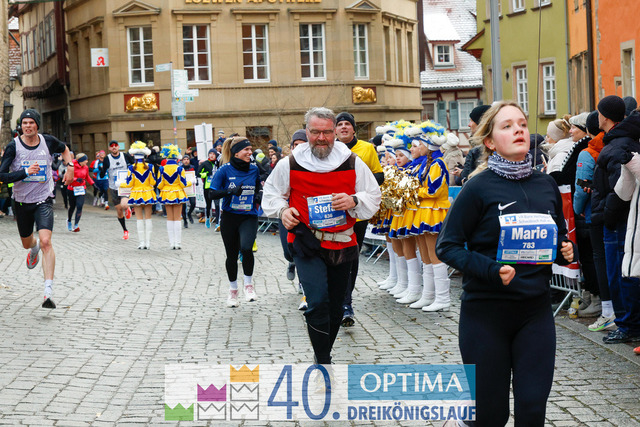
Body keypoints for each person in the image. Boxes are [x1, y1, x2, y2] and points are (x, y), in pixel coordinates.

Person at [436, 101, 575, 426]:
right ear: (489, 141)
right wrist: (491, 269)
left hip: (535, 313)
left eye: (522, 124)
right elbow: (447, 246)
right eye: (508, 126)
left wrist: (564, 250)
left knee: (532, 410)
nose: (518, 130)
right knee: (491, 415)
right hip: (486, 314)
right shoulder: (477, 187)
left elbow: (555, 237)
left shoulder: (545, 184)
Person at [263, 107, 381, 365]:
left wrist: (353, 200)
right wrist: (283, 210)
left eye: (327, 132)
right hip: (306, 241)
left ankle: (321, 354)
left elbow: (373, 196)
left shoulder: (351, 161)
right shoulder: (290, 163)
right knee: (317, 302)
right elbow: (271, 194)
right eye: (315, 132)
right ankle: (324, 360)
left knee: (336, 307)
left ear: (335, 132)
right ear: (307, 132)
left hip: (343, 242)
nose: (321, 138)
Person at [0, 109, 75, 309]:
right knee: (28, 243)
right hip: (21, 202)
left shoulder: (47, 141)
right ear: (21, 126)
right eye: (24, 123)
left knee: (46, 241)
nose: (28, 126)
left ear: (37, 125)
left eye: (31, 122)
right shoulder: (13, 147)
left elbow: (65, 149)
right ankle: (33, 249)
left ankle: (48, 292)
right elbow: (2, 176)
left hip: (44, 199)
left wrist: (70, 166)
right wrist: (25, 172)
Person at [591, 95, 640, 344]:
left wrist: (607, 215)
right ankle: (627, 322)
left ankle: (627, 324)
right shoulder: (618, 141)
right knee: (623, 271)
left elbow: (620, 189)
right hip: (618, 218)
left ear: (606, 117)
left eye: (599, 112)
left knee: (621, 273)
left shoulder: (617, 146)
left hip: (618, 222)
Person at [334, 111, 384, 327]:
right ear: (335, 130)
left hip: (357, 212)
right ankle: (331, 298)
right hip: (334, 211)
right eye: (340, 124)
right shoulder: (330, 149)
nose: (344, 127)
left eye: (348, 124)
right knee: (333, 255)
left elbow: (379, 175)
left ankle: (346, 303)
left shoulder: (366, 148)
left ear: (354, 129)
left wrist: (358, 184)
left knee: (351, 257)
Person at [574, 111, 615, 330]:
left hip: (594, 212)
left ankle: (608, 310)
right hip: (615, 210)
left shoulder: (588, 152)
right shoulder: (613, 145)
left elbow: (582, 187)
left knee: (599, 259)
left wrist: (577, 209)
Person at [209, 136, 262, 307]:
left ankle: (248, 285)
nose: (250, 152)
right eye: (246, 149)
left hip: (249, 216)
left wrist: (258, 195)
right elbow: (211, 193)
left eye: (250, 149)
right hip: (230, 217)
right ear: (236, 152)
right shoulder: (224, 170)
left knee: (246, 248)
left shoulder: (254, 169)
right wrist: (230, 191)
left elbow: (258, 187)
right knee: (231, 255)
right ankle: (233, 291)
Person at [120, 142, 157, 249]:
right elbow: (153, 182)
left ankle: (141, 243)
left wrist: (120, 184)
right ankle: (148, 243)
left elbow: (129, 184)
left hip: (136, 194)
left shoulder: (131, 167)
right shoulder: (150, 166)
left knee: (139, 219)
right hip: (148, 193)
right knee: (148, 218)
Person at [100, 140, 134, 239]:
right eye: (112, 146)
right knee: (119, 210)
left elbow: (134, 165)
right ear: (109, 148)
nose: (114, 147)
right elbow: (103, 173)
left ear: (118, 147)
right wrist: (102, 170)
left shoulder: (125, 156)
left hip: (124, 185)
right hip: (114, 187)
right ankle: (125, 230)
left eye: (115, 145)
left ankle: (127, 208)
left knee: (124, 204)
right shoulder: (107, 159)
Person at [157, 144, 189, 249]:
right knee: (177, 218)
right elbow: (183, 184)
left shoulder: (162, 169)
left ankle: (171, 243)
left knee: (170, 218)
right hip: (177, 193)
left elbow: (159, 185)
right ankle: (178, 243)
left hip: (166, 193)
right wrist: (191, 182)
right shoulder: (180, 169)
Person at [460, 104, 491, 183]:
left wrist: (461, 174)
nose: (469, 125)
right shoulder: (497, 145)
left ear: (480, 123)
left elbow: (466, 176)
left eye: (471, 120)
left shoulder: (475, 150)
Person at [67, 152, 94, 232]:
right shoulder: (72, 166)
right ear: (81, 161)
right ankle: (69, 221)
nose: (87, 162)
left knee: (79, 206)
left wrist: (93, 184)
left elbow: (87, 176)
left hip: (81, 189)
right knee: (72, 207)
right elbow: (68, 176)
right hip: (72, 189)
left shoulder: (85, 167)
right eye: (85, 160)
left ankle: (76, 225)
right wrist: (75, 179)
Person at [198, 148, 220, 229]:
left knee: (217, 205)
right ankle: (207, 218)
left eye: (213, 154)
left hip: (216, 187)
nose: (211, 155)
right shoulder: (205, 163)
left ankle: (218, 223)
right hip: (207, 187)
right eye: (210, 154)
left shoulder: (218, 163)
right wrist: (207, 174)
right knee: (208, 204)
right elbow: (198, 174)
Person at [181, 155, 197, 228]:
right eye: (184, 159)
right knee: (183, 207)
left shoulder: (192, 167)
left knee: (193, 203)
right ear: (182, 161)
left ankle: (189, 213)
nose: (186, 161)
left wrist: (196, 180)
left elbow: (196, 175)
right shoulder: (180, 168)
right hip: (183, 189)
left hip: (191, 189)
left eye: (187, 159)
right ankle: (185, 220)